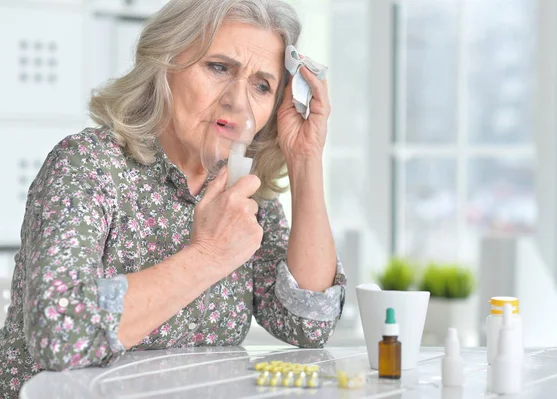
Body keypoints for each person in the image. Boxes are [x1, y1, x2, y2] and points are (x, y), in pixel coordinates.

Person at [0, 0, 345, 396]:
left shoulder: (242, 192)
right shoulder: (87, 165)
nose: (238, 101)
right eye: (219, 67)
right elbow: (59, 336)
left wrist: (305, 158)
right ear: (165, 65)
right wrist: (209, 255)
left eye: (262, 85)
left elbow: (308, 322)